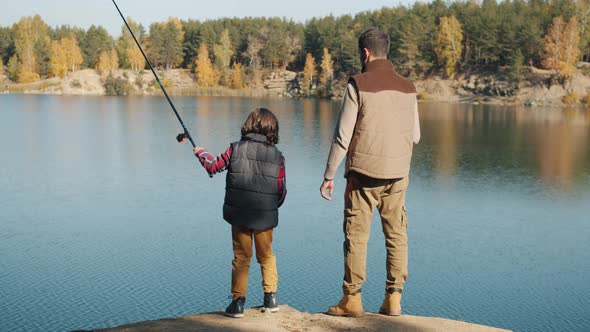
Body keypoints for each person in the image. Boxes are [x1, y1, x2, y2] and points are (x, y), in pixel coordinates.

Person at [319, 27, 421, 317]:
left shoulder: (357, 84)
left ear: (365, 53)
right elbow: (415, 136)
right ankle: (394, 299)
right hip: (399, 174)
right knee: (397, 234)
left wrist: (328, 175)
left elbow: (343, 136)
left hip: (364, 174)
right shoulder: (408, 87)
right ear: (386, 50)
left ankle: (352, 299)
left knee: (356, 235)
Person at [193, 108, 287, 318]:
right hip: (265, 216)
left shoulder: (235, 149)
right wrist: (271, 207)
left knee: (241, 257)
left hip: (240, 215)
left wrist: (201, 152)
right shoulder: (278, 157)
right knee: (267, 256)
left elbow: (213, 166)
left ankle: (237, 304)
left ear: (249, 125)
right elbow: (281, 190)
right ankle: (271, 298)